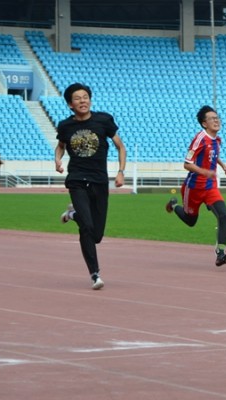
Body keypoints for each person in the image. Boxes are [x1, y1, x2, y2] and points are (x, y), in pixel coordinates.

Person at [55, 82, 127, 290]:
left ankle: (72, 215)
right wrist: (57, 160)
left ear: (90, 100)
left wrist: (120, 171)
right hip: (77, 180)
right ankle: (95, 274)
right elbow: (60, 147)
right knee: (86, 228)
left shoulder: (103, 120)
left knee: (96, 235)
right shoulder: (65, 126)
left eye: (85, 96)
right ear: (70, 104)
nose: (82, 100)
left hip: (99, 181)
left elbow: (120, 147)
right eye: (77, 98)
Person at [166, 105, 226, 267]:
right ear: (204, 123)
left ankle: (220, 253)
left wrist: (223, 166)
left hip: (210, 187)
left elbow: (213, 155)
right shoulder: (199, 139)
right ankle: (174, 205)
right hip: (194, 187)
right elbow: (187, 164)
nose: (217, 121)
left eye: (218, 118)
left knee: (223, 216)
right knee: (191, 221)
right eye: (212, 119)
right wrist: (204, 171)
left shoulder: (217, 139)